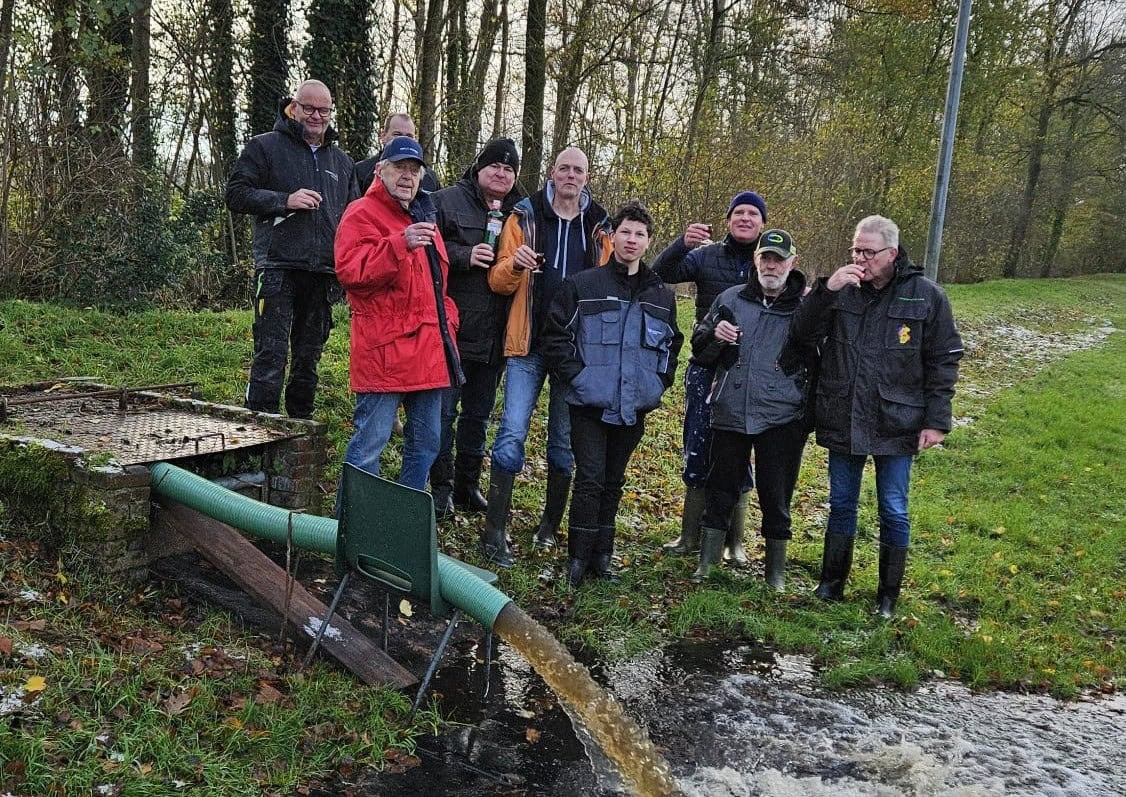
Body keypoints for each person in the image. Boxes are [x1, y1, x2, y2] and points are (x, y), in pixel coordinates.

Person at [790, 215, 963, 618]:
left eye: (868, 252)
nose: (860, 259)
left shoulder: (926, 296)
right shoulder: (839, 290)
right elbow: (801, 336)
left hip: (897, 418)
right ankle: (831, 584)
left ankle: (887, 596)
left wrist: (936, 421)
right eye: (855, 250)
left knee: (893, 508)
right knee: (842, 503)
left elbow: (943, 361)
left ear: (892, 253)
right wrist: (825, 291)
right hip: (844, 413)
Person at [483, 147, 612, 567]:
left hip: (574, 353)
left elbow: (609, 288)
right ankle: (494, 532)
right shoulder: (525, 216)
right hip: (527, 345)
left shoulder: (599, 227)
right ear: (552, 173)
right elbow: (498, 282)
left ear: (587, 177)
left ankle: (549, 525)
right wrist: (516, 266)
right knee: (511, 434)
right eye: (564, 168)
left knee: (562, 444)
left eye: (579, 169)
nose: (570, 175)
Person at [544, 202, 683, 586]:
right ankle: (577, 558)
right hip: (590, 403)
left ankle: (602, 557)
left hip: (633, 405)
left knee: (614, 480)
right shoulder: (584, 285)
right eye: (626, 232)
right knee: (590, 478)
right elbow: (556, 336)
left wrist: (658, 384)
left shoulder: (661, 295)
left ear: (648, 241)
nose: (632, 240)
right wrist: (579, 378)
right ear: (613, 236)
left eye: (640, 234)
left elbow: (672, 344)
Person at [334, 136, 463, 490]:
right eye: (399, 168)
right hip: (385, 353)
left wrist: (447, 319)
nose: (407, 176)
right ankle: (351, 529)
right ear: (380, 171)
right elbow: (350, 272)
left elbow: (438, 285)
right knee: (368, 448)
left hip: (428, 352)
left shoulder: (425, 214)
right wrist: (398, 244)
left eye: (414, 170)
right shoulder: (361, 212)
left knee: (426, 444)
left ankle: (400, 524)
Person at [688, 230, 815, 588]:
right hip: (730, 409)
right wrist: (714, 336)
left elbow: (819, 360)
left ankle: (775, 574)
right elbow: (699, 350)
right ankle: (708, 563)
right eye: (765, 258)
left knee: (776, 495)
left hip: (782, 417)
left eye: (779, 259)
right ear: (755, 260)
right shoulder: (730, 299)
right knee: (720, 488)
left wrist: (808, 412)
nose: (771, 265)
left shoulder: (804, 309)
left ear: (792, 263)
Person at [226, 79, 357, 418]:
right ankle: (258, 432)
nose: (316, 116)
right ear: (294, 107)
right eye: (309, 108)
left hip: (323, 274)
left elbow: (355, 217)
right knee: (270, 354)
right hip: (277, 267)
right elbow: (236, 194)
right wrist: (284, 201)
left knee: (308, 359)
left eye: (324, 110)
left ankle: (301, 431)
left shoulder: (342, 162)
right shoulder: (264, 147)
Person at [653, 192, 767, 562]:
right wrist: (681, 244)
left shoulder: (768, 262)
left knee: (741, 454)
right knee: (698, 446)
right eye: (739, 213)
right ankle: (689, 536)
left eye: (753, 213)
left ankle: (736, 542)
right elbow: (661, 273)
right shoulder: (706, 256)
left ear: (763, 223)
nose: (746, 218)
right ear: (729, 219)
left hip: (749, 374)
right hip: (706, 366)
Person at [428, 138, 524, 517]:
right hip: (452, 331)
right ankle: (440, 488)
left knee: (478, 416)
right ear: (478, 167)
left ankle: (469, 485)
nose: (501, 174)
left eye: (508, 169)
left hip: (496, 334)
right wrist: (464, 255)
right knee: (444, 415)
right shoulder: (446, 201)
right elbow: (426, 252)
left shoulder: (521, 212)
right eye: (494, 167)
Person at [355, 113, 441, 196]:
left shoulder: (429, 177)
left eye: (409, 136)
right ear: (383, 136)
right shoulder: (361, 171)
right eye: (397, 134)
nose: (403, 140)